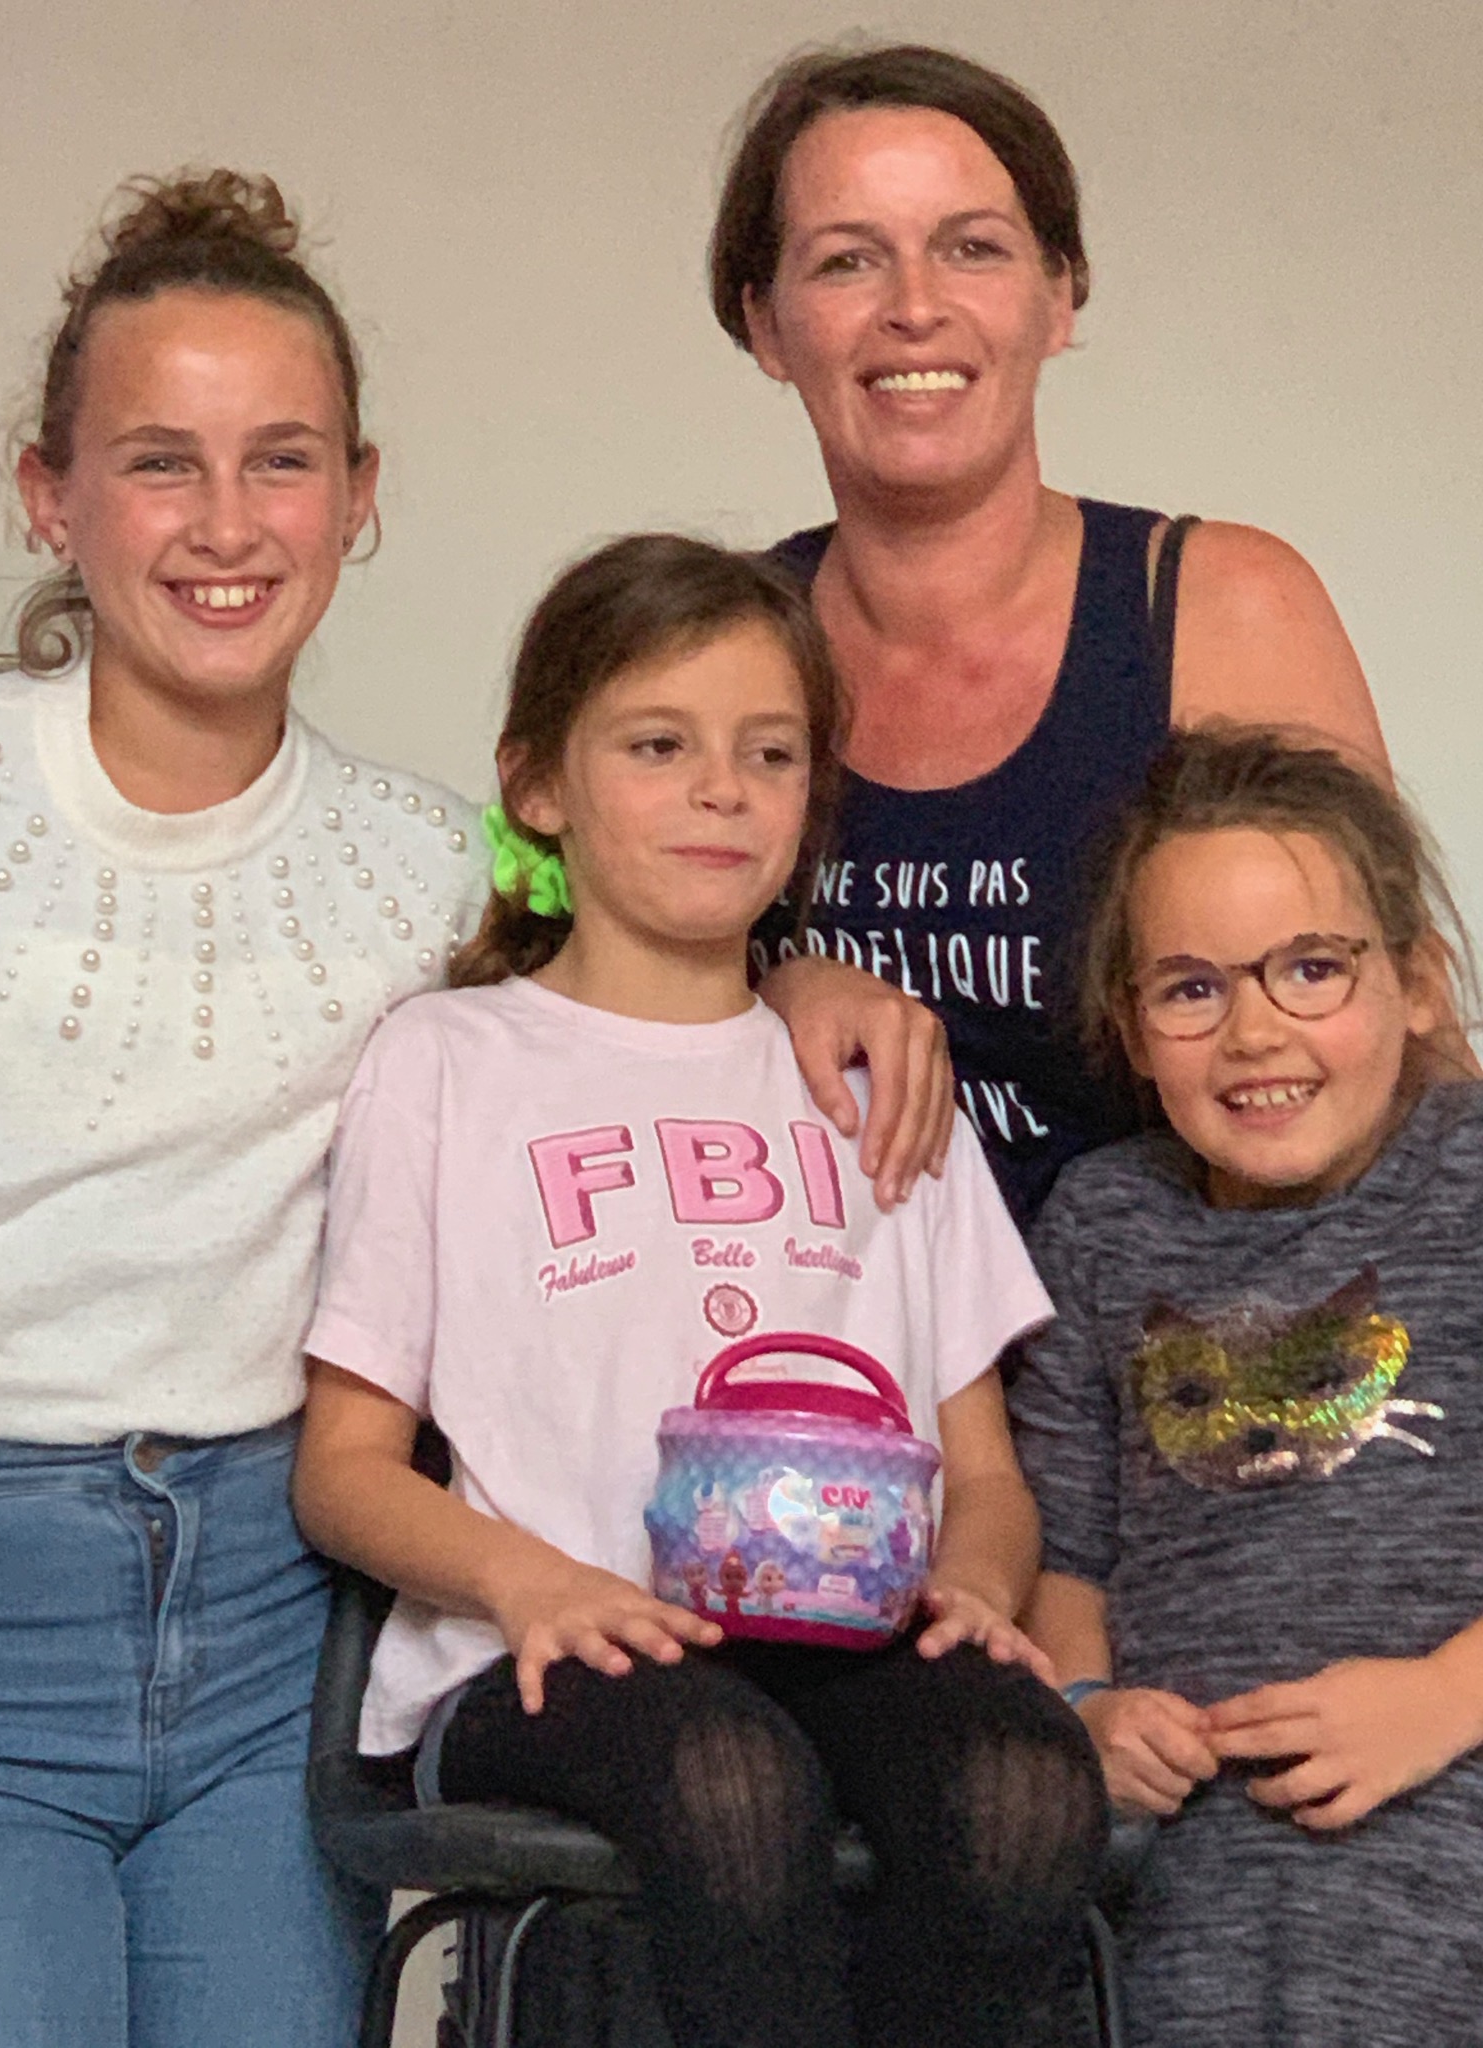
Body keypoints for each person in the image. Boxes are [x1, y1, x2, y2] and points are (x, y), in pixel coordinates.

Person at [0, 173, 946, 2048]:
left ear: (360, 494)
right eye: (159, 463)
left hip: (277, 1634)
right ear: (47, 496)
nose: (227, 523)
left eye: (283, 460)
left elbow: (650, 934)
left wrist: (807, 975)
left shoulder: (432, 859)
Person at [293, 533, 1107, 2048]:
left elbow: (986, 1474)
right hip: (550, 1653)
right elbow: (342, 1470)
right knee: (730, 1779)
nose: (723, 790)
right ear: (538, 785)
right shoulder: (449, 1061)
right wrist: (530, 1580)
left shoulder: (877, 1079)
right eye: (658, 746)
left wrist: (978, 1588)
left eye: (770, 753)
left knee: (1024, 1782)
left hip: (847, 1643)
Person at [713, 42, 1389, 1223]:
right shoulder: (714, 649)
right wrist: (760, 997)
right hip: (808, 1329)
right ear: (766, 325)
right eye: (847, 260)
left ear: (1060, 296)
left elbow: (1388, 1036)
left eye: (972, 248)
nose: (914, 306)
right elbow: (566, 1009)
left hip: (1191, 1331)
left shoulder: (1223, 608)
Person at [1009, 725, 1483, 2046]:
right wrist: (1089, 1713)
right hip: (1188, 1856)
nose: (1255, 1031)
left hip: (1452, 1801)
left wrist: (1443, 1698)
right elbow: (1068, 1559)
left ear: (1417, 983)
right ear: (1131, 1027)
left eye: (1312, 968)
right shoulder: (1104, 1224)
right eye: (1192, 988)